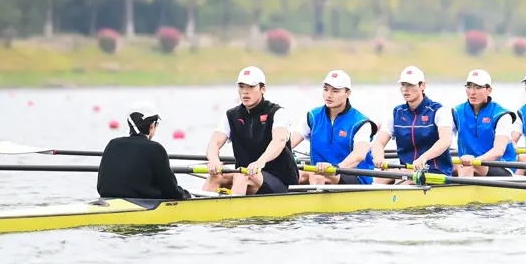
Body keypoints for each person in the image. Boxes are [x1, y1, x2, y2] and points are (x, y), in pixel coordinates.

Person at [203, 66, 299, 195]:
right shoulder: (232, 115)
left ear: (263, 89)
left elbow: (279, 141)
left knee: (244, 175)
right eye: (241, 87)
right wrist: (214, 159)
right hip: (245, 174)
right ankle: (200, 207)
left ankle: (232, 207)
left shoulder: (277, 112)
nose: (245, 92)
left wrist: (260, 162)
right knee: (216, 175)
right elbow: (214, 142)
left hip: (279, 180)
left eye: (251, 87)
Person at [290, 70, 378, 185]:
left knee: (318, 177)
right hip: (319, 172)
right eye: (326, 89)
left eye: (335, 91)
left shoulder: (361, 122)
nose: (329, 95)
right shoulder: (313, 117)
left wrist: (335, 168)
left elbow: (359, 155)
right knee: (297, 175)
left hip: (354, 175)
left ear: (348, 93)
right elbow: (289, 143)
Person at [370, 66, 454, 184]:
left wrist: (424, 157)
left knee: (404, 181)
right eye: (403, 85)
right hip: (407, 169)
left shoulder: (438, 111)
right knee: (378, 178)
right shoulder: (396, 113)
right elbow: (378, 142)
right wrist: (379, 157)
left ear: (422, 86)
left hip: (435, 171)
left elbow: (445, 141)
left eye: (410, 85)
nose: (405, 89)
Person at [97, 102, 192, 200]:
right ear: (152, 125)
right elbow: (171, 191)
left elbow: (100, 186)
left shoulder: (112, 144)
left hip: (107, 200)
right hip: (141, 205)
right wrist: (185, 194)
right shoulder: (156, 149)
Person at [453, 69, 518, 177]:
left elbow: (498, 151)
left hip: (501, 166)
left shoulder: (501, 115)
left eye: (478, 87)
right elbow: (445, 141)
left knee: (468, 166)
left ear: (489, 90)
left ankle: (463, 185)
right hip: (467, 164)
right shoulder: (457, 112)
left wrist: (474, 161)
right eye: (469, 87)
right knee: (450, 165)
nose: (472, 92)